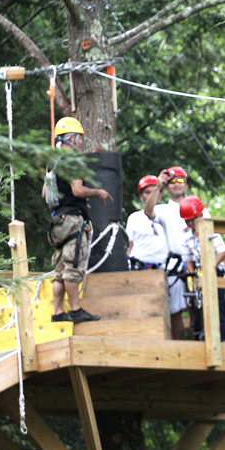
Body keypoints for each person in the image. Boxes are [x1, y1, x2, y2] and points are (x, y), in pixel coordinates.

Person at [42, 117, 113, 324]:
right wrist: (97, 192)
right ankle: (75, 309)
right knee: (73, 266)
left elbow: (46, 193)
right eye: (79, 138)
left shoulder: (53, 162)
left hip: (57, 222)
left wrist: (75, 202)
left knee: (60, 271)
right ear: (71, 138)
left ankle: (57, 311)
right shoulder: (73, 160)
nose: (81, 143)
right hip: (72, 221)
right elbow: (77, 189)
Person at [144, 166, 193, 339]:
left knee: (197, 309)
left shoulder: (196, 205)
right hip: (176, 264)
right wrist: (157, 185)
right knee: (176, 312)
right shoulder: (164, 209)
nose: (176, 185)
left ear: (186, 185)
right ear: (167, 187)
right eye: (172, 182)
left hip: (196, 262)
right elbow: (148, 212)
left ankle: (199, 346)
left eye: (180, 181)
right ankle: (178, 349)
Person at [179, 195, 225, 342]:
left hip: (215, 271)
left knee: (218, 305)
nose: (191, 223)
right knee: (198, 306)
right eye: (187, 220)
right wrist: (193, 277)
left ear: (201, 215)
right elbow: (188, 259)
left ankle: (222, 339)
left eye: (193, 219)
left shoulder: (211, 231)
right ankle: (201, 337)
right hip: (199, 272)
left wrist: (210, 267)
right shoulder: (186, 237)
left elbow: (223, 252)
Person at [125, 175, 168, 271]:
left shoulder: (167, 212)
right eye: (147, 192)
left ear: (159, 195)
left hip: (164, 268)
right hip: (138, 266)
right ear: (141, 196)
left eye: (154, 192)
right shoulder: (134, 217)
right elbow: (130, 246)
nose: (151, 195)